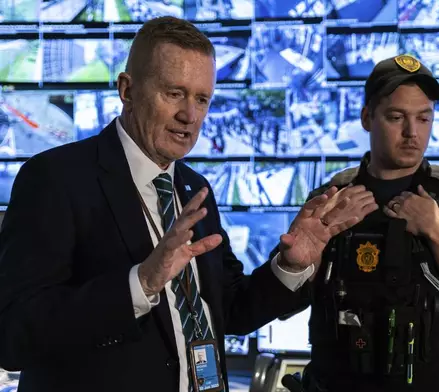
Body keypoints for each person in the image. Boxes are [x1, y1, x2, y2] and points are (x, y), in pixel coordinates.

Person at [0, 17, 377, 392]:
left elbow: (228, 310)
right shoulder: (56, 178)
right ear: (127, 90)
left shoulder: (195, 188)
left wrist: (289, 267)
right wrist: (141, 283)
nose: (190, 115)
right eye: (174, 93)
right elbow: (14, 335)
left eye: (202, 99)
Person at [290, 55, 439, 392]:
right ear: (367, 118)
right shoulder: (331, 200)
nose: (411, 133)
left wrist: (438, 231)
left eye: (423, 118)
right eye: (396, 117)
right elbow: (282, 304)